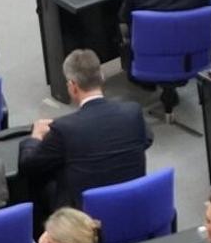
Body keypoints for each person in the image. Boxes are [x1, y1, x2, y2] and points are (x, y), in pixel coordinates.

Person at [18, 47, 151, 216]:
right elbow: (146, 140)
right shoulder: (132, 112)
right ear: (101, 76)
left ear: (73, 86)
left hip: (85, 220)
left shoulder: (64, 129)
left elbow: (29, 165)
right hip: (133, 206)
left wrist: (36, 136)